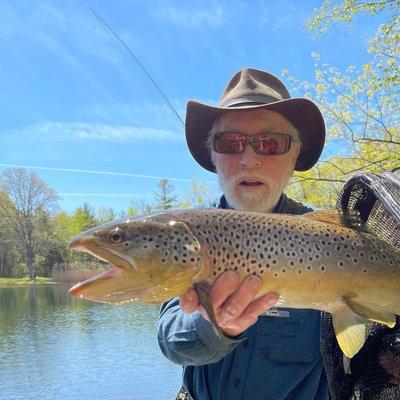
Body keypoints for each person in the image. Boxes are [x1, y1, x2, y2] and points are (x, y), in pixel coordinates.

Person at [157, 68, 399, 400]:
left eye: (270, 143)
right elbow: (171, 342)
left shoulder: (338, 239)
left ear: (295, 154)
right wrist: (216, 326)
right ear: (213, 155)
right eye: (230, 142)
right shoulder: (188, 237)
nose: (248, 159)